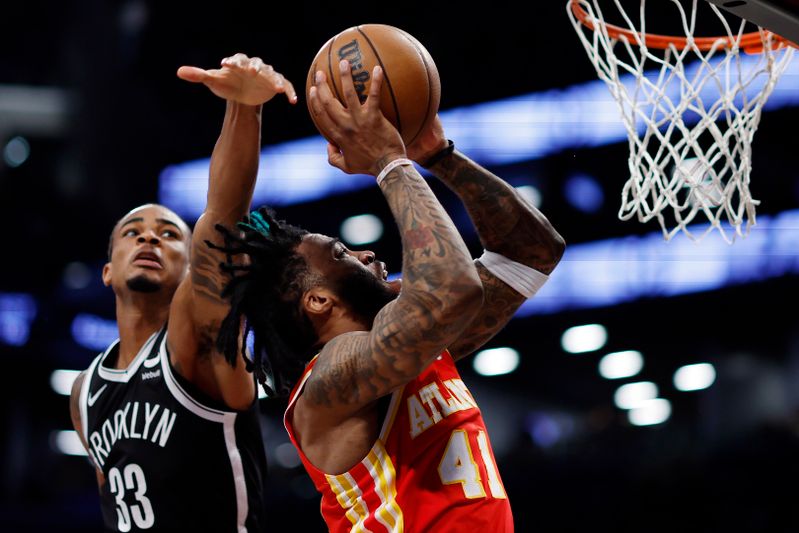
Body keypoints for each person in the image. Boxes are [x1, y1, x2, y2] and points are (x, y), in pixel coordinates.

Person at [212, 60, 565, 532]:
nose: (365, 252)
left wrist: (438, 155)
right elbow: (452, 290)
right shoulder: (329, 381)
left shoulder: (411, 346)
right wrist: (387, 161)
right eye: (340, 252)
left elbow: (532, 253)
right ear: (318, 301)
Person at [68, 53, 297, 532]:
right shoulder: (84, 390)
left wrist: (244, 108)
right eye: (133, 231)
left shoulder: (197, 334)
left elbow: (222, 219)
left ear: (194, 267)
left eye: (170, 235)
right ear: (107, 272)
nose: (149, 238)